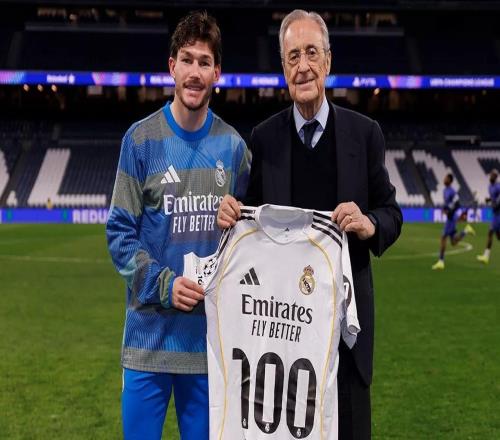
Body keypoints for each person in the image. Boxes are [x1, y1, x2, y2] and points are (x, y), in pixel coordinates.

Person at [217, 9, 402, 440]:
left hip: (346, 338)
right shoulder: (264, 139)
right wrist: (231, 215)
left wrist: (369, 224)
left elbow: (392, 213)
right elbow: (250, 221)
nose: (303, 66)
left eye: (312, 53)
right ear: (283, 68)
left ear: (328, 61)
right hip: (286, 335)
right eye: (293, 56)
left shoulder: (365, 134)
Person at [106, 11, 251, 440]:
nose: (194, 72)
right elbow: (119, 235)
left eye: (204, 62)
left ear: (217, 73)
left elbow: (252, 234)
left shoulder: (234, 149)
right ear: (172, 66)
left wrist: (238, 217)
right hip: (147, 345)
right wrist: (165, 285)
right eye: (187, 59)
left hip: (208, 348)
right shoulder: (140, 141)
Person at [432, 173, 475, 270]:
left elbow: (457, 203)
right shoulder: (445, 190)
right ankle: (466, 230)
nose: (444, 179)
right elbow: (447, 203)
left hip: (452, 218)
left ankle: (441, 261)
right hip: (449, 217)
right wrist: (444, 209)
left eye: (446, 178)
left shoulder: (452, 191)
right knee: (454, 242)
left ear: (450, 180)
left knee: (443, 237)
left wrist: (449, 211)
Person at [477, 169, 500, 264]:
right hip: (495, 213)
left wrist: (495, 204)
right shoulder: (490, 186)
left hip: (498, 213)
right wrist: (489, 200)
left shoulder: (498, 186)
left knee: (490, 232)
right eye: (491, 175)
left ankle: (486, 256)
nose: (491, 176)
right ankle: (486, 256)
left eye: (493, 175)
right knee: (498, 236)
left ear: (496, 177)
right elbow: (494, 198)